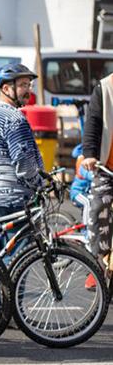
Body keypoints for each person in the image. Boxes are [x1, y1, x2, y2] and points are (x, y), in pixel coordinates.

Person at [0, 63, 43, 320]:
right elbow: (24, 163)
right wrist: (39, 184)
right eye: (23, 85)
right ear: (6, 88)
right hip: (14, 195)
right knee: (20, 254)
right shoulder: (15, 119)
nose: (28, 90)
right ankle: (11, 309)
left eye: (29, 84)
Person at [80, 71, 113, 277]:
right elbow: (93, 122)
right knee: (98, 210)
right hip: (107, 168)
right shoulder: (105, 87)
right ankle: (97, 266)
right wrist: (89, 154)